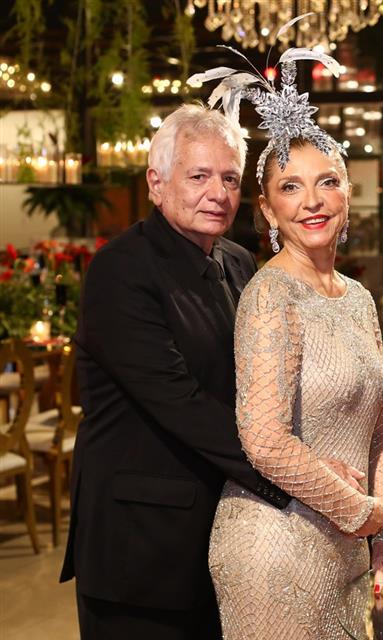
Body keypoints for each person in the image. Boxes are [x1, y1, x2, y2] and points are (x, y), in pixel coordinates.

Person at [192, 49, 383, 639]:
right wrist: (362, 514)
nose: (312, 201)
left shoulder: (359, 297)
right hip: (273, 552)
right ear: (268, 210)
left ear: (348, 193)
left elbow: (379, 430)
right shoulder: (269, 296)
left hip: (344, 553)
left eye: (327, 182)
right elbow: (265, 442)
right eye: (290, 187)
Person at [59, 104, 294, 639]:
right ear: (156, 183)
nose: (218, 193)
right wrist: (292, 474)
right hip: (141, 547)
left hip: (221, 532)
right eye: (198, 176)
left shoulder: (237, 261)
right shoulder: (120, 269)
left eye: (229, 178)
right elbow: (178, 400)